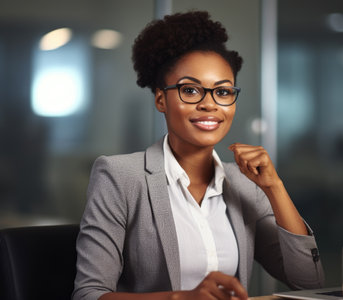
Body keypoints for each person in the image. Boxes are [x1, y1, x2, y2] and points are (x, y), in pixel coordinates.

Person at [72, 11, 325, 300]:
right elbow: (89, 295)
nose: (209, 104)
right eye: (190, 90)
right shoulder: (120, 177)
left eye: (223, 91)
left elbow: (309, 281)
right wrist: (181, 298)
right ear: (160, 99)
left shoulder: (244, 185)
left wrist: (274, 187)